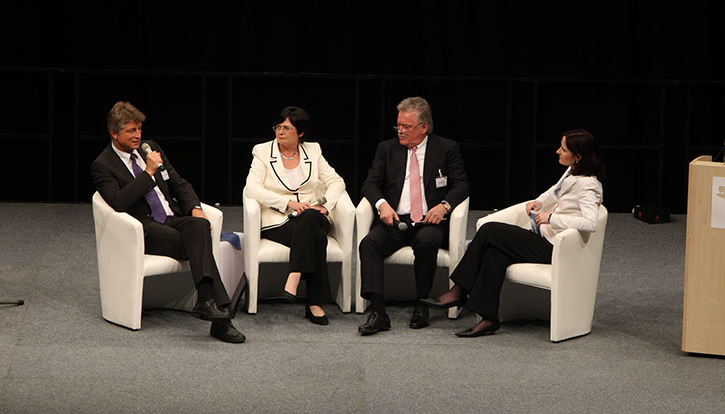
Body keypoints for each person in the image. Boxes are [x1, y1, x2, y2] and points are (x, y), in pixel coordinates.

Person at [422, 129, 605, 337]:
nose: (557, 151)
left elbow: (590, 223)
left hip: (555, 247)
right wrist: (539, 201)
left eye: (563, 149)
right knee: (494, 254)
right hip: (542, 236)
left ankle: (459, 290)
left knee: (489, 231)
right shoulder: (572, 170)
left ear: (578, 156)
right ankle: (488, 318)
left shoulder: (590, 185)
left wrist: (551, 218)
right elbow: (555, 190)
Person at [91, 101, 245, 343]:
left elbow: (178, 183)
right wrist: (148, 173)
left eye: (139, 129)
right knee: (197, 243)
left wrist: (196, 209)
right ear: (114, 133)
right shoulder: (102, 165)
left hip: (172, 217)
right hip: (144, 228)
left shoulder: (150, 148)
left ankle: (206, 302)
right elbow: (119, 201)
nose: (138, 135)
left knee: (200, 226)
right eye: (131, 131)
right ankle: (221, 318)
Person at [357, 97, 470, 335]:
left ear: (424, 127)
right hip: (395, 220)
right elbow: (370, 184)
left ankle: (422, 304)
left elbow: (461, 185)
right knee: (369, 243)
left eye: (406, 126)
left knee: (427, 242)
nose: (400, 130)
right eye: (398, 125)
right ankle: (378, 311)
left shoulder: (446, 148)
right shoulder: (386, 149)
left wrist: (444, 206)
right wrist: (382, 205)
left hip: (429, 221)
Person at [245, 106, 346, 325]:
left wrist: (326, 206)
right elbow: (251, 188)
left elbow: (337, 182)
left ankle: (294, 275)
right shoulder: (262, 151)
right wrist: (287, 203)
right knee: (318, 238)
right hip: (279, 220)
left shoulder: (313, 151)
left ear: (300, 133)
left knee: (310, 217)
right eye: (278, 127)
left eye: (287, 128)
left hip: (313, 215)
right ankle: (315, 303)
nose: (280, 132)